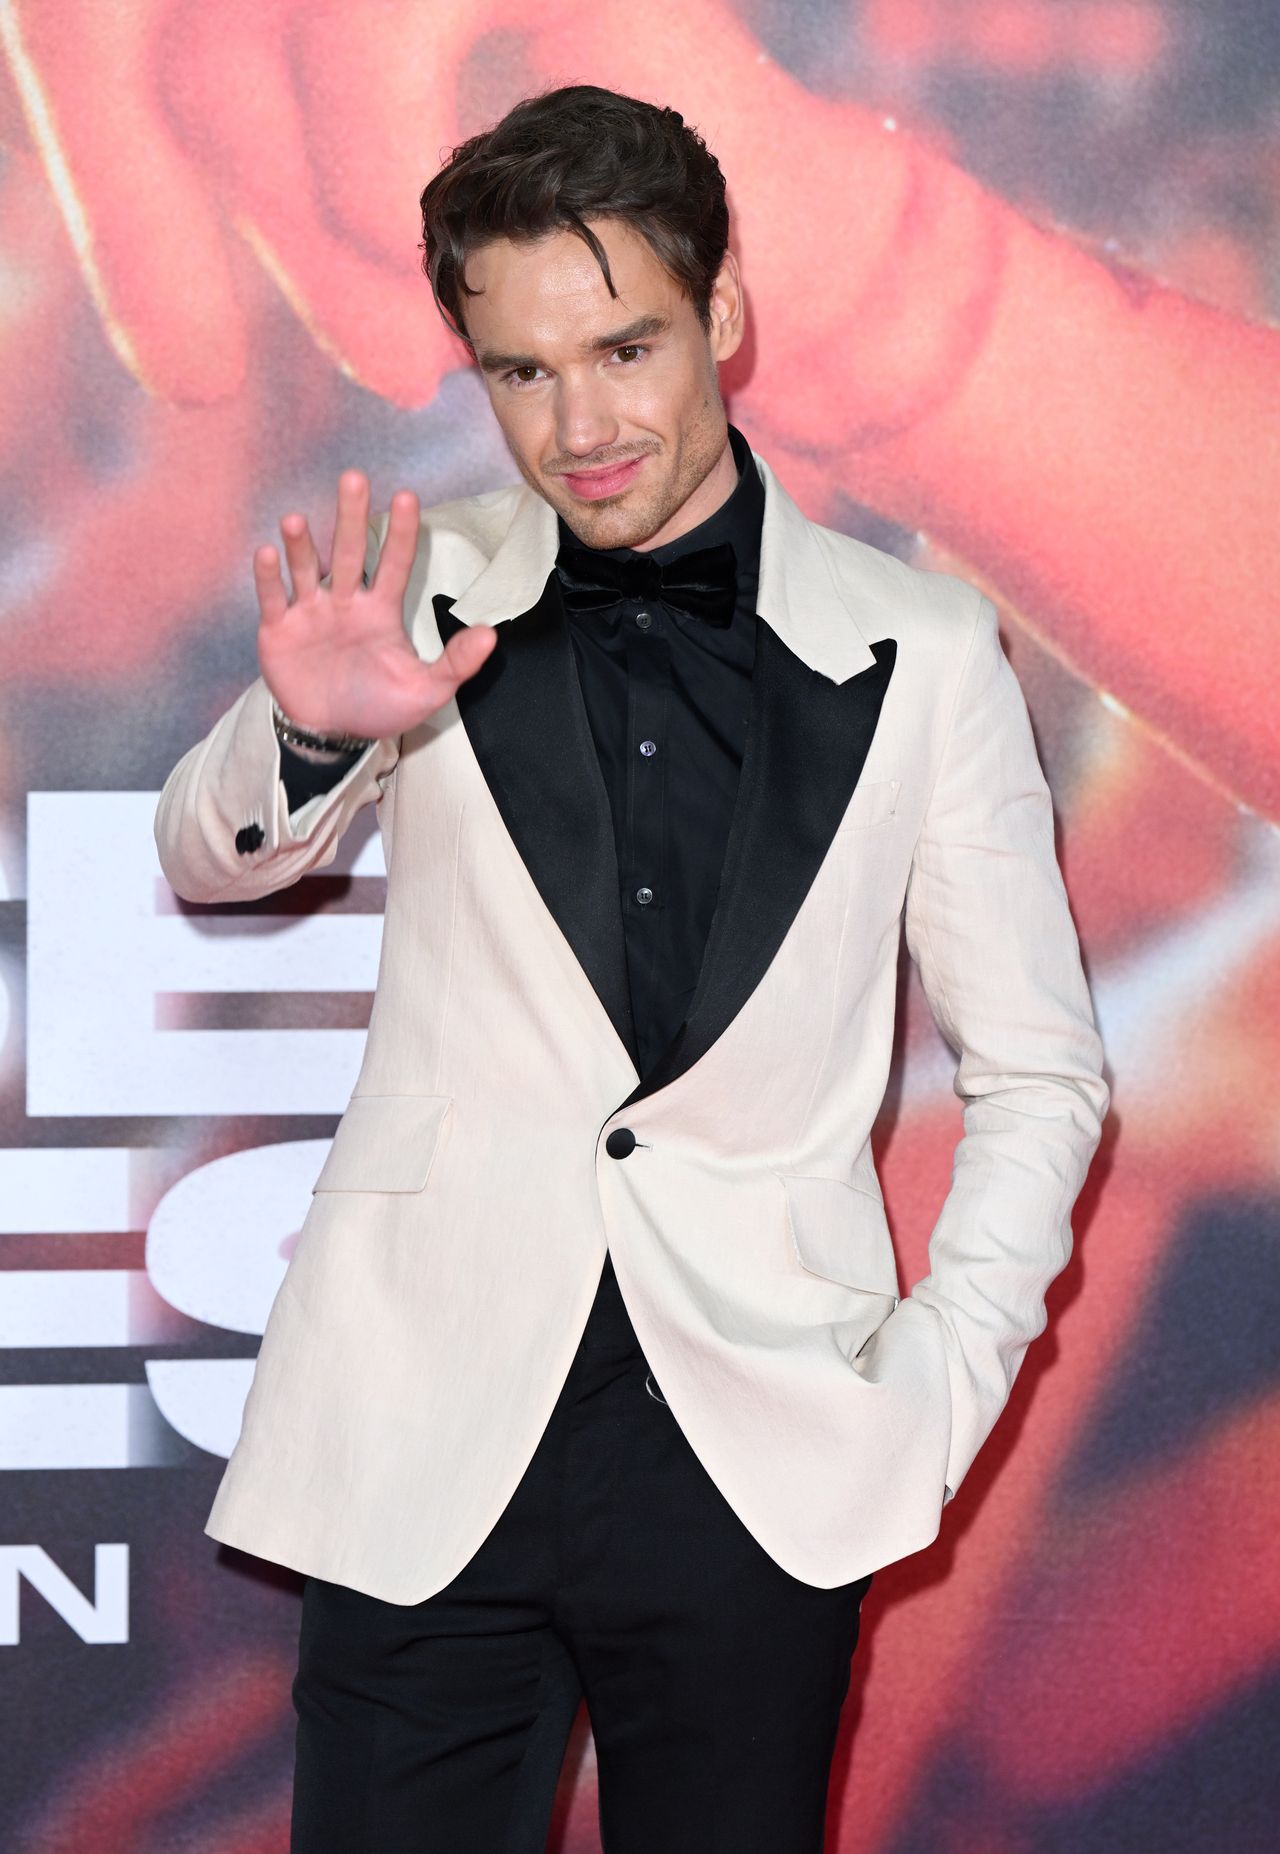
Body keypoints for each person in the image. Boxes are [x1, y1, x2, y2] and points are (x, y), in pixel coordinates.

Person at [154, 84, 1109, 1854]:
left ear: (723, 315)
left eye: (625, 347)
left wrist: (937, 1386)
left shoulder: (925, 650)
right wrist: (297, 728)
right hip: (427, 1442)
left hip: (759, 1455)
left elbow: (1041, 1071)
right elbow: (210, 859)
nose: (580, 424)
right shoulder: (416, 586)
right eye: (522, 371)